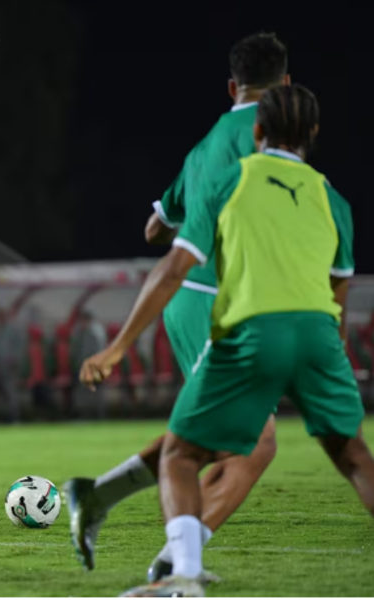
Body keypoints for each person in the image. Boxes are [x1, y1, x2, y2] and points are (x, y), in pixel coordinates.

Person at [81, 84, 374, 597]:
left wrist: (118, 347)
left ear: (257, 131)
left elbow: (173, 267)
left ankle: (184, 578)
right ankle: (131, 529)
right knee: (354, 459)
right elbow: (339, 293)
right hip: (318, 336)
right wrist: (334, 359)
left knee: (180, 456)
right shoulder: (334, 199)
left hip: (250, 333)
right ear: (314, 135)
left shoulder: (229, 180)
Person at [65, 32, 290, 577]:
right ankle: (175, 568)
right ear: (285, 84)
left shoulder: (208, 143)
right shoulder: (269, 135)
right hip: (216, 301)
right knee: (253, 443)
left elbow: (154, 227)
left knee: (228, 441)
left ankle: (104, 503)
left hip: (205, 301)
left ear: (232, 86)